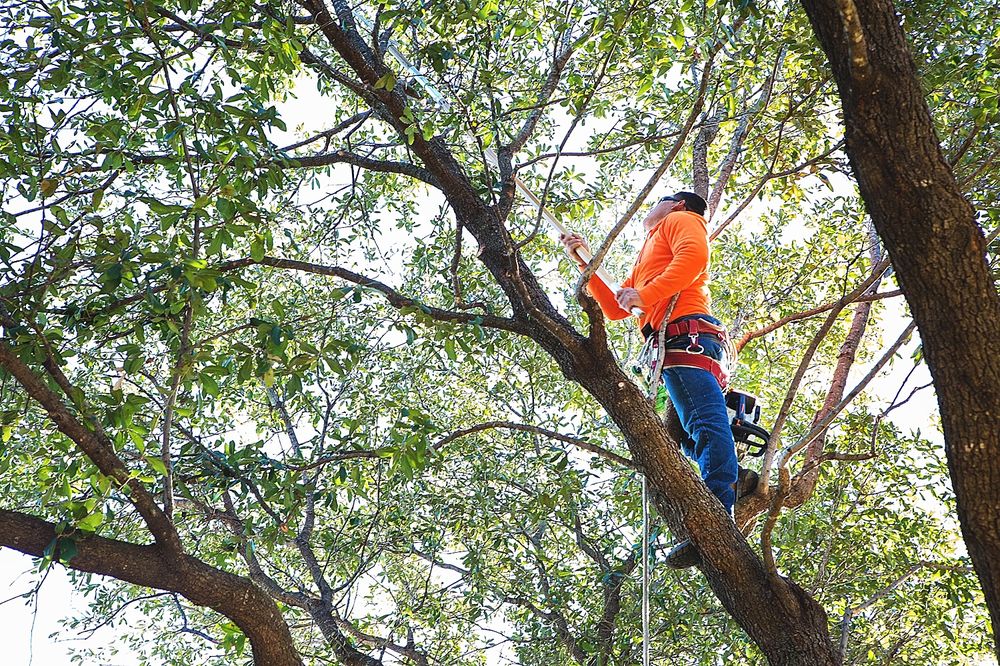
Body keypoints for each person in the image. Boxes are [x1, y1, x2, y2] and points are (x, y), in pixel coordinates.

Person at [560, 191, 750, 569]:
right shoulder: (649, 249)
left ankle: (719, 514)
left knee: (703, 423)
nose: (652, 207)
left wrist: (645, 295)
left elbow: (693, 258)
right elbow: (616, 307)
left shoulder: (681, 221)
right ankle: (735, 477)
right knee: (689, 435)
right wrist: (584, 259)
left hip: (686, 336)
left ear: (677, 203)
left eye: (659, 199)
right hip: (677, 340)